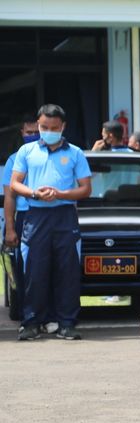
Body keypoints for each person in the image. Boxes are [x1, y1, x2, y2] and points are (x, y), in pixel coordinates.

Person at [11, 104, 92, 341]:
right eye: (44, 127)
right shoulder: (26, 151)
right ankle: (32, 322)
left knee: (67, 270)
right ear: (38, 124)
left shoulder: (75, 153)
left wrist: (61, 194)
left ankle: (67, 323)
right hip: (35, 216)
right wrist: (34, 193)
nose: (48, 131)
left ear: (63, 127)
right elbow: (15, 183)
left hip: (64, 215)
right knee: (34, 270)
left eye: (53, 128)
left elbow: (86, 188)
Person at [2, 115, 48, 335]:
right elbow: (9, 196)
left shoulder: (52, 154)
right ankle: (27, 315)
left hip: (50, 216)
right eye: (28, 132)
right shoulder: (14, 159)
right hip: (24, 216)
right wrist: (10, 228)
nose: (32, 136)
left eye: (36, 131)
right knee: (24, 269)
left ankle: (50, 315)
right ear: (21, 133)